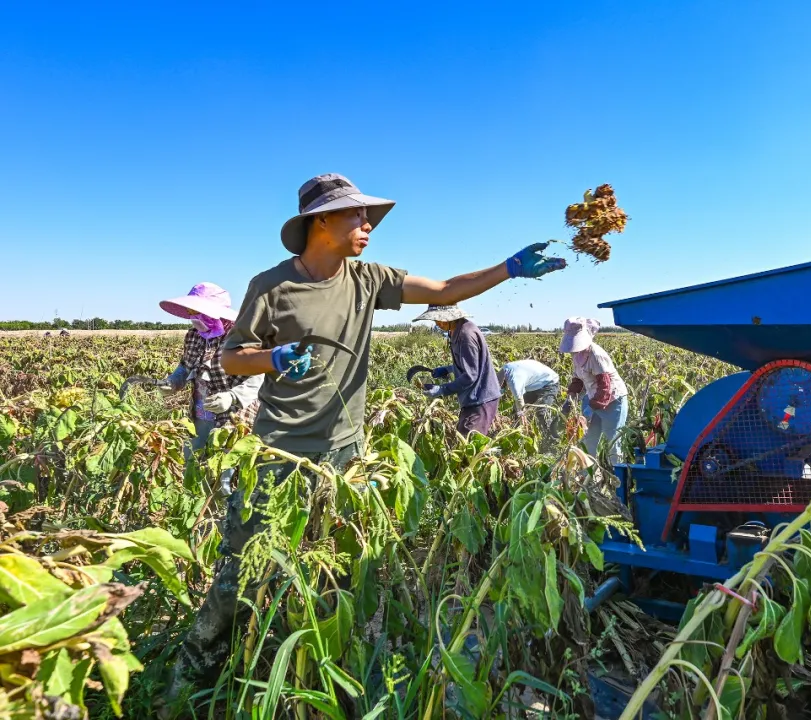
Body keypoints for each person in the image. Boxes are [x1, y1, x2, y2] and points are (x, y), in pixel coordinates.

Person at [157, 173, 566, 716]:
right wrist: (273, 358)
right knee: (241, 577)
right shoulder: (272, 286)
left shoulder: (369, 279)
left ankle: (328, 685)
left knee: (341, 574)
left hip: (344, 457)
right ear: (320, 221)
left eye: (368, 215)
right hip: (279, 454)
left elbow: (445, 290)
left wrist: (509, 268)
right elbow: (234, 355)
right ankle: (186, 691)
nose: (367, 223)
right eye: (355, 214)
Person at [158, 283, 263, 457]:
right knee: (192, 456)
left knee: (226, 461)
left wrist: (232, 397)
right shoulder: (194, 335)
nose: (193, 316)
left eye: (197, 311)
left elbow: (257, 376)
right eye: (191, 311)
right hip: (201, 409)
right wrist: (174, 381)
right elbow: (186, 365)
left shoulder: (241, 336)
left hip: (234, 413)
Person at [414, 304, 502, 437]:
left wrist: (442, 389)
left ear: (451, 317)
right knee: (462, 437)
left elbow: (470, 376)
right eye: (435, 320)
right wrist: (448, 369)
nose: (438, 324)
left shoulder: (466, 334)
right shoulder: (457, 329)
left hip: (480, 398)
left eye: (440, 319)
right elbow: (470, 363)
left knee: (469, 443)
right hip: (473, 398)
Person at [559, 317, 629, 463]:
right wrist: (570, 397)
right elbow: (578, 379)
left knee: (612, 442)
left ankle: (616, 474)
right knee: (589, 439)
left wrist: (587, 413)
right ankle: (588, 472)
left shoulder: (596, 355)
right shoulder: (577, 354)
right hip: (594, 399)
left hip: (613, 400)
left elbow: (605, 387)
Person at [498, 358, 561, 445]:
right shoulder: (503, 371)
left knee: (541, 412)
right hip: (535, 383)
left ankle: (552, 439)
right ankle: (516, 437)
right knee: (516, 411)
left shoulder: (514, 380)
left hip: (549, 382)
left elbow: (519, 400)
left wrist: (522, 414)